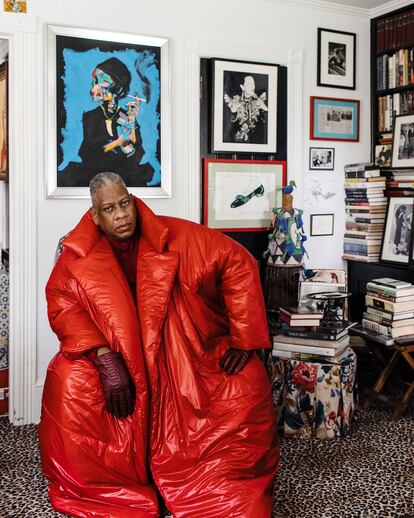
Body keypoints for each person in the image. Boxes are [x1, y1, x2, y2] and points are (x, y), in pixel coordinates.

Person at [39, 172, 279, 517]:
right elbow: (63, 303)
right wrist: (102, 355)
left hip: (182, 345)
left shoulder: (179, 235)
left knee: (243, 383)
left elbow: (238, 263)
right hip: (115, 349)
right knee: (68, 382)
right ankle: (117, 485)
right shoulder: (75, 253)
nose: (121, 214)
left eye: (125, 203)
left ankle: (210, 483)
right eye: (109, 208)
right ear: (95, 215)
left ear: (133, 201)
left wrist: (244, 339)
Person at [58, 57, 154, 188]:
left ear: (116, 86)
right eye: (94, 82)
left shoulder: (126, 116)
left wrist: (127, 135)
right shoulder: (90, 117)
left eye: (98, 82)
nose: (93, 88)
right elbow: (86, 155)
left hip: (124, 177)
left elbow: (137, 155)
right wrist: (117, 142)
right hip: (97, 176)